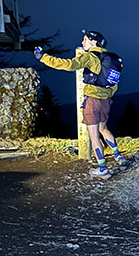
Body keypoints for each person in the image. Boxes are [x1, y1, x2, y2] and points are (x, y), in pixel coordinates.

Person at [34, 30, 126, 178]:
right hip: (106, 101)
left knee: (94, 135)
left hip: (92, 101)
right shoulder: (110, 59)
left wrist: (43, 57)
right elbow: (114, 85)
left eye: (85, 39)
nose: (82, 42)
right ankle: (118, 156)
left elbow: (68, 65)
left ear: (93, 42)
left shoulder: (90, 57)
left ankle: (102, 169)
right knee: (103, 128)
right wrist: (105, 96)